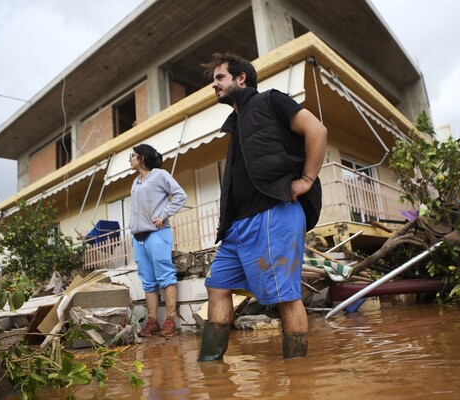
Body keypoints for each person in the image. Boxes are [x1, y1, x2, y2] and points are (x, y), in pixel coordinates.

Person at [198, 52, 327, 360]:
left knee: (285, 297)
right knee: (217, 286)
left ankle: (298, 378)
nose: (214, 85)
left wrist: (307, 179)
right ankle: (211, 368)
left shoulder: (271, 101)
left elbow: (317, 130)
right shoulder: (236, 123)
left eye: (220, 78)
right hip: (238, 226)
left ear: (241, 78)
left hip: (272, 213)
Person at [129, 144, 187, 337]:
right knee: (148, 281)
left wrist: (164, 214)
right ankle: (152, 321)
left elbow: (180, 195)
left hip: (157, 234)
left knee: (165, 276)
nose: (130, 159)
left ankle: (170, 321)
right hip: (139, 238)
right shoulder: (135, 182)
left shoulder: (160, 175)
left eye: (133, 156)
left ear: (142, 158)